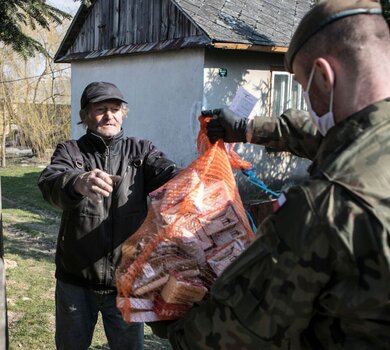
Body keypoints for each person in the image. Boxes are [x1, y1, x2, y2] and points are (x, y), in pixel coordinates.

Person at [163, 1, 390, 349]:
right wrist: (247, 129)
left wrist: (174, 321)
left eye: (301, 84)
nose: (303, 97)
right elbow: (337, 138)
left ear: (324, 76)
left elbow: (231, 333)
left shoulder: (325, 206)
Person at [38, 81, 179, 350]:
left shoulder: (142, 151)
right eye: (100, 109)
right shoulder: (70, 151)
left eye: (115, 108)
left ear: (124, 113)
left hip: (126, 285)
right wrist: (78, 182)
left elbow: (170, 175)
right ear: (84, 116)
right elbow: (49, 184)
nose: (109, 115)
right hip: (76, 282)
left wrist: (201, 171)